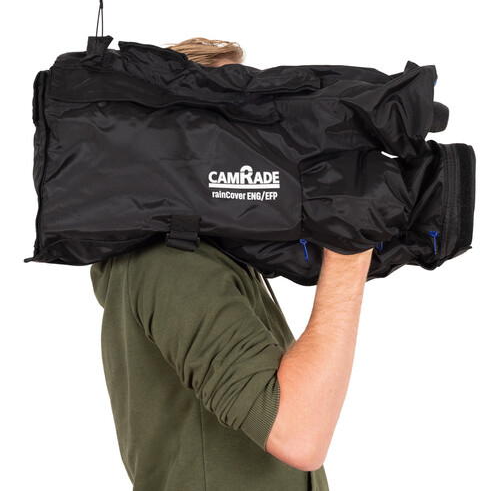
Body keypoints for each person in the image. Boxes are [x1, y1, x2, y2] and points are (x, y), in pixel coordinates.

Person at [90, 37, 374, 491]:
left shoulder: (212, 250)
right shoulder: (174, 259)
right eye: (233, 115)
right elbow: (298, 434)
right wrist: (351, 246)